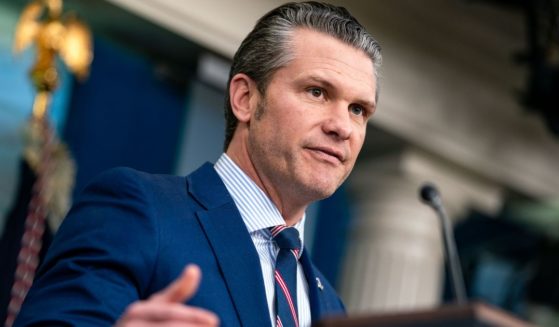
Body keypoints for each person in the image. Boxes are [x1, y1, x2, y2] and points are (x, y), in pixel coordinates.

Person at [14, 1, 381, 326]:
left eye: (358, 110)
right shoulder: (140, 210)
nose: (342, 127)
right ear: (245, 99)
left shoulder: (330, 306)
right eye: (317, 92)